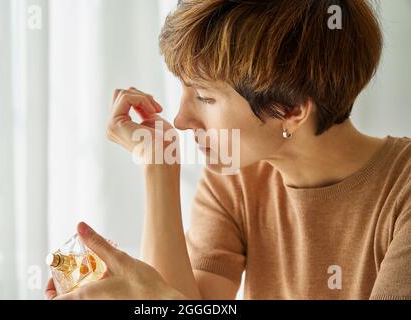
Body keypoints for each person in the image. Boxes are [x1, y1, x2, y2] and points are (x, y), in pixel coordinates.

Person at [46, 0, 411, 300]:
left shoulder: (401, 194)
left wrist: (151, 298)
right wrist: (158, 164)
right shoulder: (234, 180)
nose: (181, 119)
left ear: (291, 109)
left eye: (204, 97)